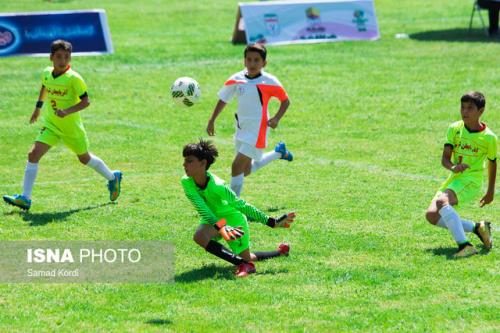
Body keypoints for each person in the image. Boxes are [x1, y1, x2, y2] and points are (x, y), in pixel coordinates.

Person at [3, 40, 122, 211]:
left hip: (71, 129)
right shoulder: (46, 73)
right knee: (33, 154)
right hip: (51, 125)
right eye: (59, 57)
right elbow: (45, 86)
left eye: (66, 57)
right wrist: (38, 108)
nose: (63, 60)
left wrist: (67, 111)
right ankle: (25, 198)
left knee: (84, 158)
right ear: (51, 57)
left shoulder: (74, 79)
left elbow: (86, 102)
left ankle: (112, 177)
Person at [181, 139, 296, 277]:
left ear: (203, 163)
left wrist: (271, 222)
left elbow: (240, 205)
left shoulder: (218, 186)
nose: (184, 164)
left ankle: (278, 252)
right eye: (184, 160)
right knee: (200, 236)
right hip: (215, 221)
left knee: (248, 257)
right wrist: (221, 227)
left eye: (189, 161)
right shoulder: (186, 182)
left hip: (234, 221)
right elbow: (203, 211)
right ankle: (244, 265)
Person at [207, 43, 293, 197]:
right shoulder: (237, 79)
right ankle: (278, 153)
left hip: (257, 131)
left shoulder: (269, 81)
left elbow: (285, 101)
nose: (252, 63)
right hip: (241, 128)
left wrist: (276, 118)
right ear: (244, 61)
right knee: (244, 171)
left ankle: (234, 206)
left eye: (256, 60)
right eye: (249, 59)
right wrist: (212, 119)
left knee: (236, 167)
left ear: (264, 63)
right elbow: (224, 99)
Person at [425, 91, 496, 258]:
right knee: (431, 215)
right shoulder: (454, 129)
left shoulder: (489, 138)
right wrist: (453, 167)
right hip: (455, 178)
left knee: (442, 202)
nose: (465, 111)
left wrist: (490, 191)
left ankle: (465, 246)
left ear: (481, 111)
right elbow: (445, 158)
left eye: (470, 108)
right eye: (462, 107)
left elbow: (493, 164)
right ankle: (477, 227)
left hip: (471, 181)